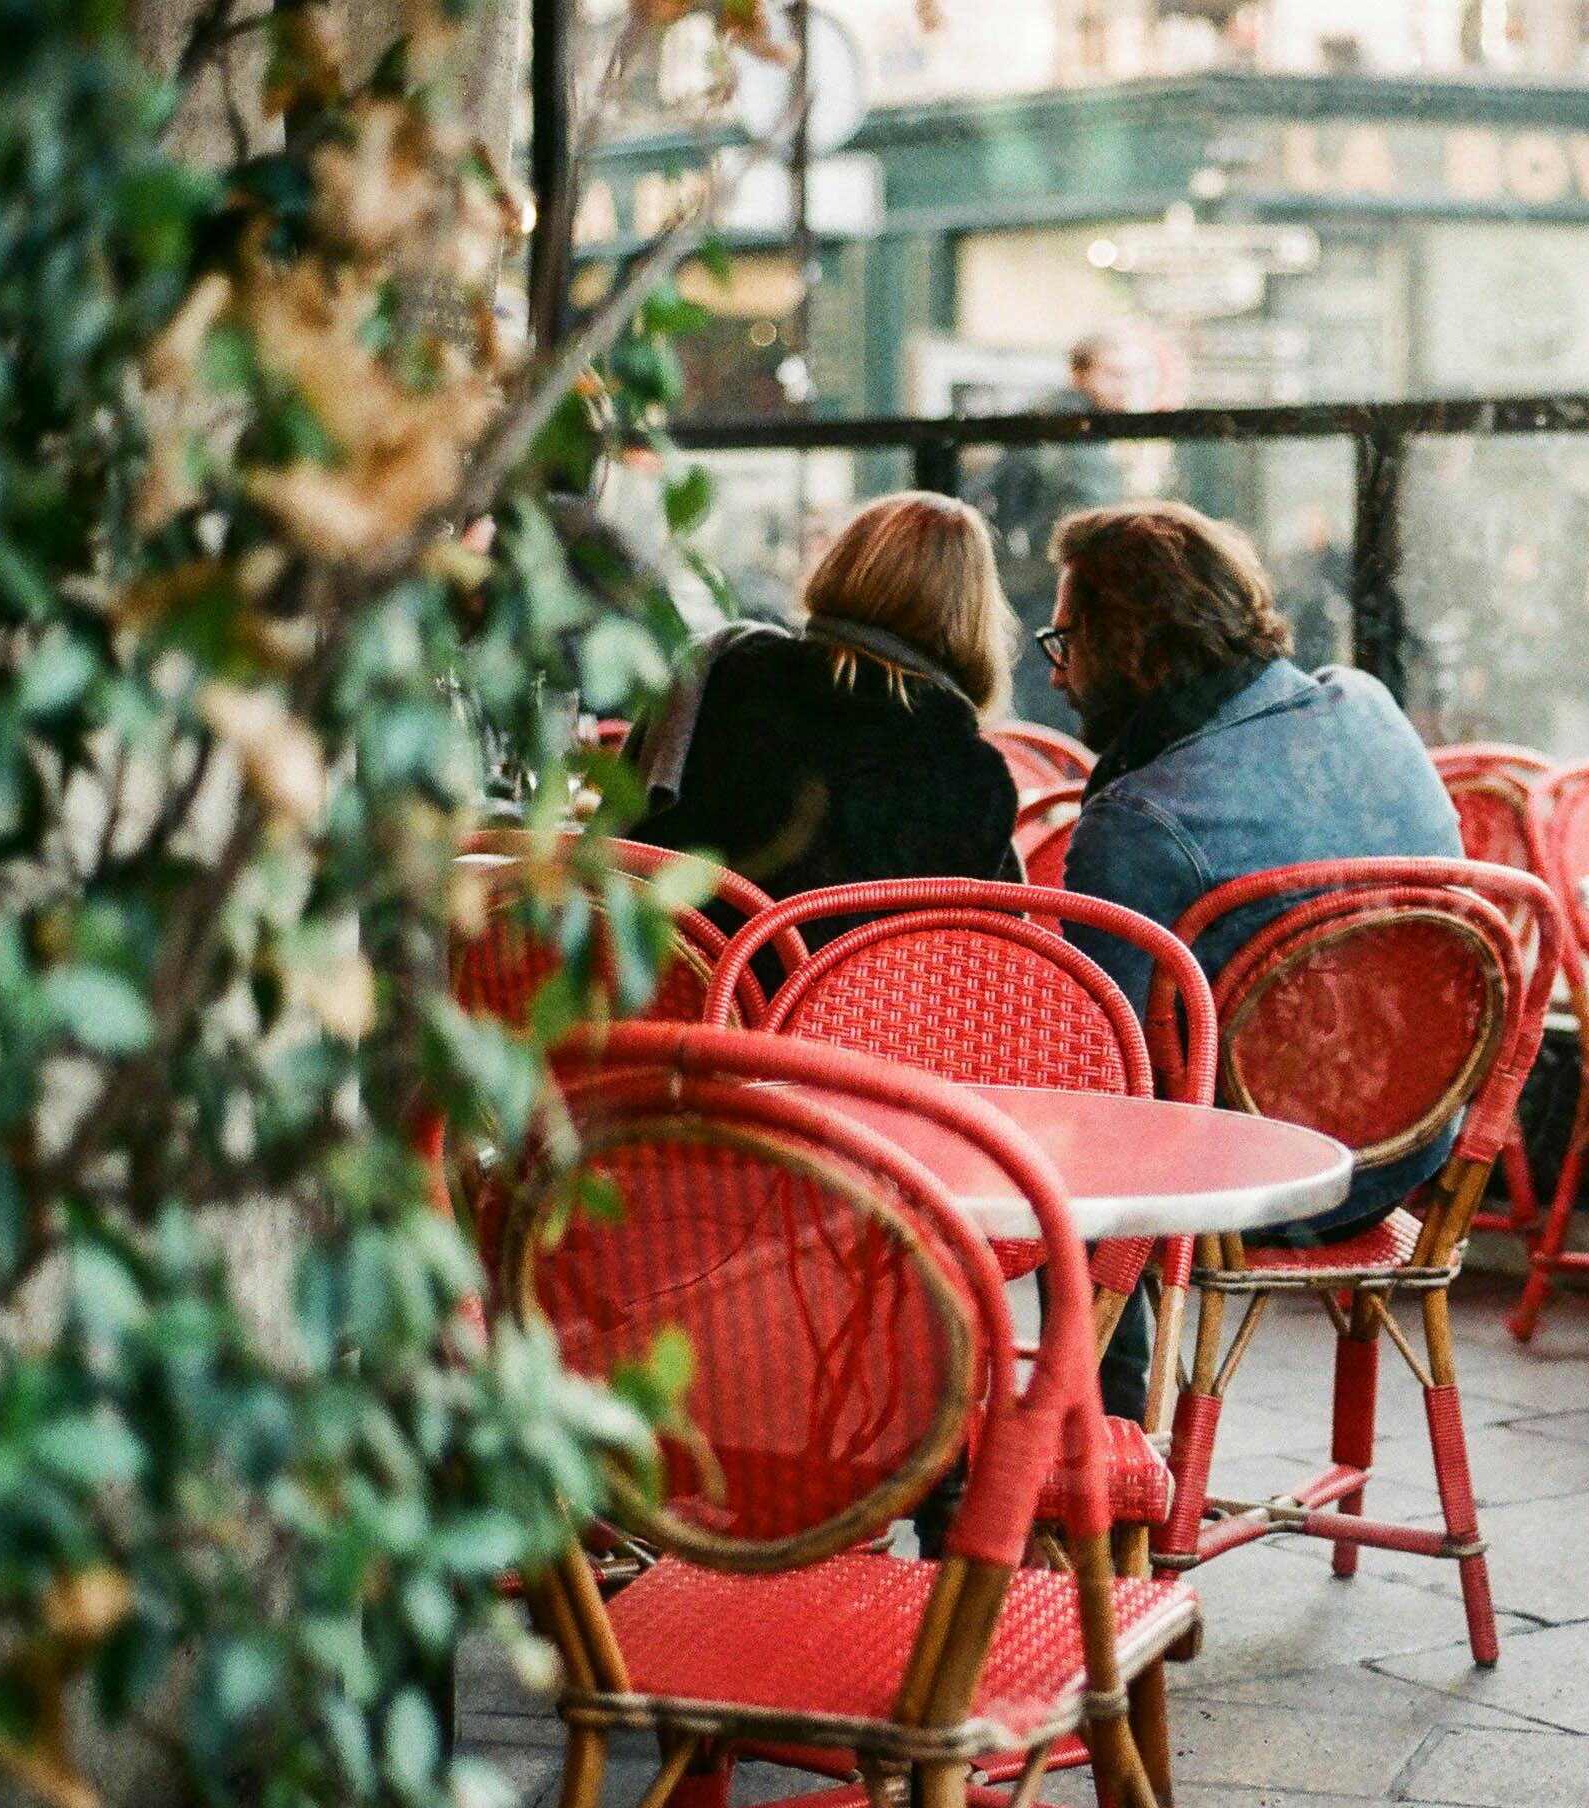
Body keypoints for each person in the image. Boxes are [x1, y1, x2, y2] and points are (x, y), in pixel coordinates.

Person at [1046, 500, 1465, 1423]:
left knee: (1067, 1157)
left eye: (1068, 640)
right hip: (1414, 1152)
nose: (1058, 675)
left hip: (1264, 1190)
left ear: (1138, 650)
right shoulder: (1368, 705)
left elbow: (1096, 1067)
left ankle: (1091, 1464)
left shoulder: (1141, 820)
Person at [621, 491, 1021, 949]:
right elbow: (979, 962)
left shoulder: (726, 671)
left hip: (681, 999)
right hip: (849, 1019)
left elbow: (622, 842)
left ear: (843, 564)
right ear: (973, 616)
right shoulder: (975, 777)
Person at [971, 334, 1131, 733]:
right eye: (1112, 374)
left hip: (1032, 580)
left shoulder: (1055, 421)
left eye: (1130, 375)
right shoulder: (1074, 430)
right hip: (1053, 582)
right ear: (1079, 374)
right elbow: (1086, 512)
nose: (1124, 385)